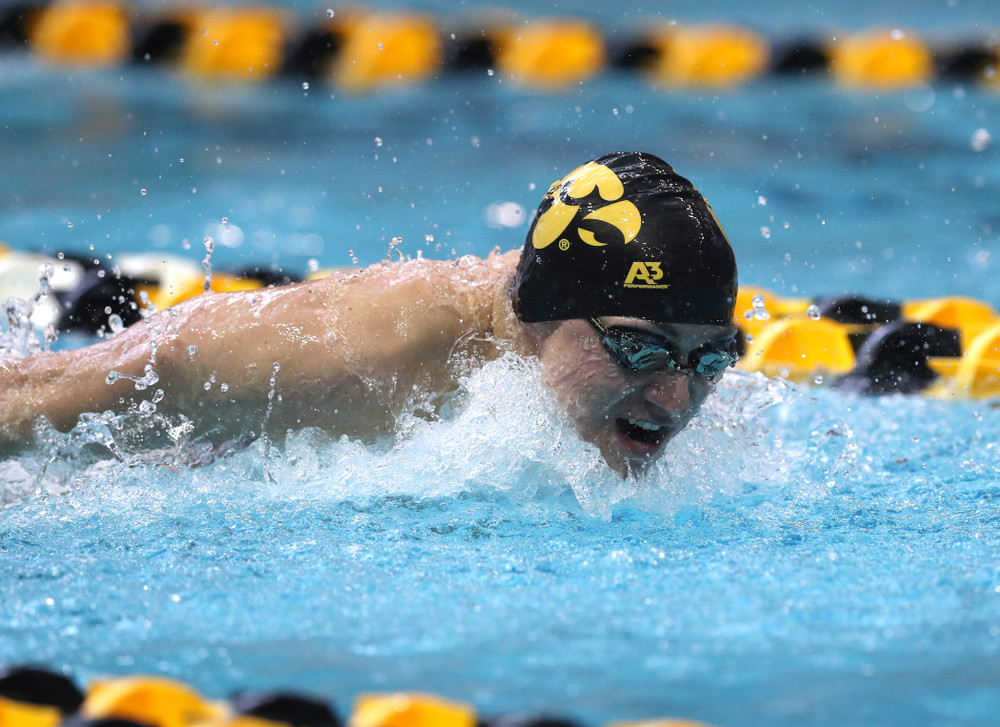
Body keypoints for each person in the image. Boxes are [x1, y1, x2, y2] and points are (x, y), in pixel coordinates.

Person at [0, 151, 739, 477]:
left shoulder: (582, 383)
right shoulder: (356, 351)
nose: (676, 399)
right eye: (639, 351)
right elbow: (39, 395)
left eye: (708, 359)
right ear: (542, 312)